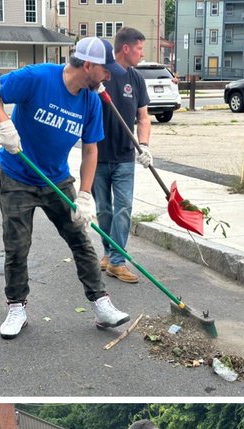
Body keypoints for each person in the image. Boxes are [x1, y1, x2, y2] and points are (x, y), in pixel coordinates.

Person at [0, 37, 131, 338]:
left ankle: (101, 304)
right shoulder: (37, 78)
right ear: (88, 65)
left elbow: (90, 150)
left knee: (80, 240)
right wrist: (5, 125)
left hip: (57, 180)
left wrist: (85, 195)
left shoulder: (91, 101)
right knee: (17, 246)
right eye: (106, 70)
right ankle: (16, 307)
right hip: (17, 176)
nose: (109, 75)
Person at [93, 28, 152, 285]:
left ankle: (117, 261)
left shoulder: (136, 79)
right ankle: (108, 253)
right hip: (97, 155)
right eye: (139, 48)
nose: (142, 53)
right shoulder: (100, 76)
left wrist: (145, 144)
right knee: (104, 209)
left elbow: (143, 117)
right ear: (126, 48)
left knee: (124, 208)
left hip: (126, 157)